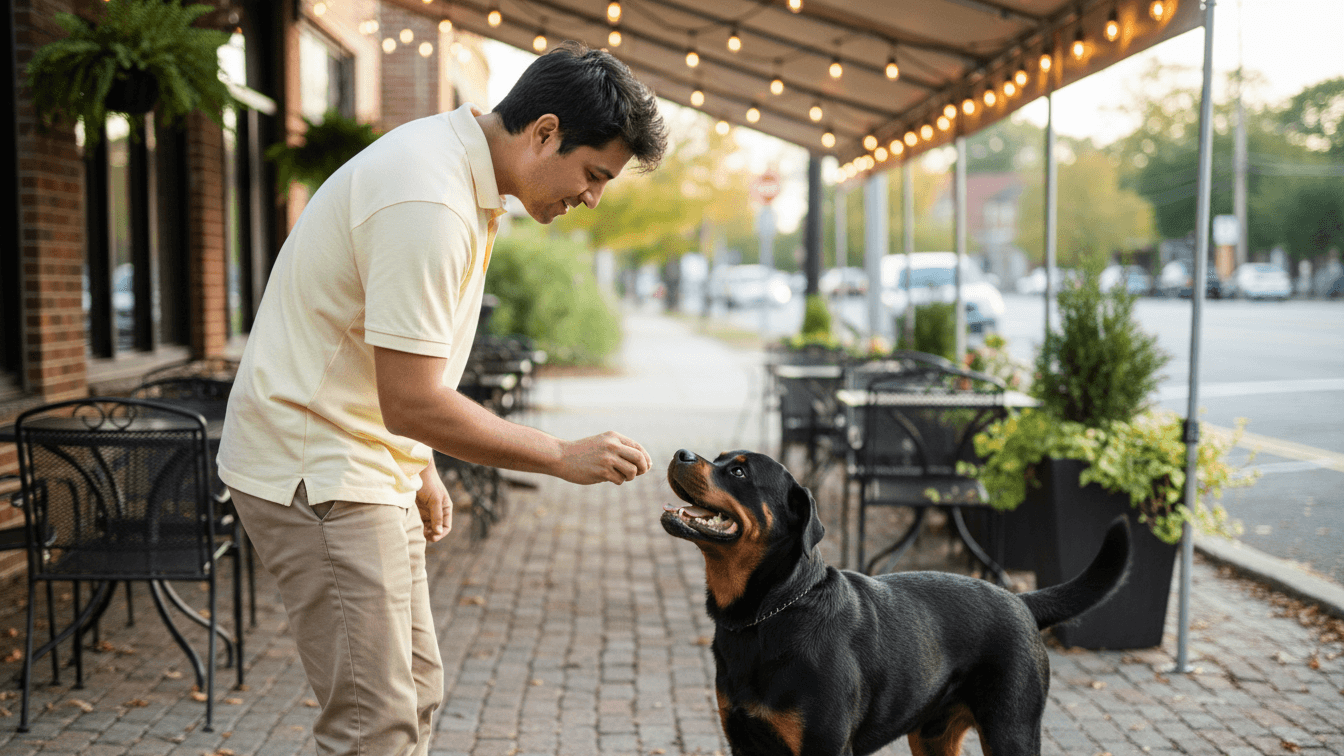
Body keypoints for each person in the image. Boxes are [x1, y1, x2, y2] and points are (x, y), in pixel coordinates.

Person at [216, 42, 667, 755]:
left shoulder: (461, 177)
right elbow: (413, 401)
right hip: (318, 467)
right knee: (374, 727)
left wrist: (419, 467)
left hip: (365, 459)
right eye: (593, 174)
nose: (593, 197)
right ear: (544, 131)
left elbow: (393, 361)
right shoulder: (429, 197)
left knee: (414, 695)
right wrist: (558, 454)